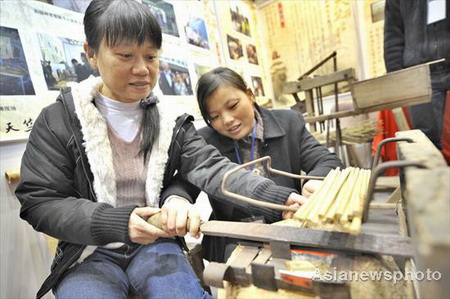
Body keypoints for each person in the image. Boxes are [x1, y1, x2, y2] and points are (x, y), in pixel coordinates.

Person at [15, 1, 304, 298]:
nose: (142, 69)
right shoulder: (60, 119)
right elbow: (40, 201)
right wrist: (116, 222)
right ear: (91, 53)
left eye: (151, 56)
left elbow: (215, 169)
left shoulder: (171, 122)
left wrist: (280, 198)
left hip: (155, 245)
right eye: (126, 55)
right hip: (88, 252)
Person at [177, 67, 343, 262]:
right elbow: (183, 182)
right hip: (236, 237)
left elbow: (328, 161)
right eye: (214, 117)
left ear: (250, 95)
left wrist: (313, 182)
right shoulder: (204, 140)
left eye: (232, 106)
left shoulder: (288, 122)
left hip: (288, 228)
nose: (227, 120)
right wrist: (177, 200)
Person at [384, 0, 450, 149]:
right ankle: (430, 173)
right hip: (420, 72)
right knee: (425, 141)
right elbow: (393, 33)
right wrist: (396, 74)